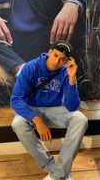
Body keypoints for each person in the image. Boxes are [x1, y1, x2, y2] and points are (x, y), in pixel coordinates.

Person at [10, 40, 88, 180]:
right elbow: (15, 99)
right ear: (49, 52)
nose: (56, 61)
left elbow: (71, 106)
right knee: (17, 123)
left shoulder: (66, 71)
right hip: (33, 110)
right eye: (55, 55)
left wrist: (72, 78)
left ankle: (58, 174)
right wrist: (37, 120)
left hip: (56, 110)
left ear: (66, 61)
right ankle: (53, 168)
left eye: (61, 59)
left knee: (80, 119)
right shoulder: (30, 68)